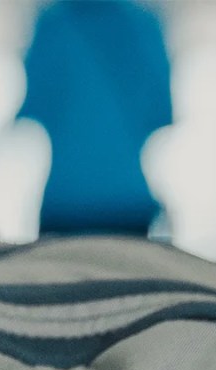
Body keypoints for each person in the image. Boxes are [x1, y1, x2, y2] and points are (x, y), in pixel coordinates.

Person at [18, 0, 175, 239]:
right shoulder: (144, 23)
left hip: (63, 202)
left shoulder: (54, 24)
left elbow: (34, 105)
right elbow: (162, 114)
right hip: (128, 202)